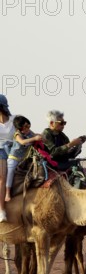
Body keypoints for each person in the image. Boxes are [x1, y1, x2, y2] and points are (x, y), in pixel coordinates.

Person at [6, 115, 43, 202]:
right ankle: (7, 193)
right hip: (14, 158)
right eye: (25, 127)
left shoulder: (29, 132)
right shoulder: (17, 134)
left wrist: (40, 137)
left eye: (28, 126)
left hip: (23, 159)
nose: (27, 129)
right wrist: (34, 138)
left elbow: (35, 135)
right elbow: (22, 142)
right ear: (19, 128)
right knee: (10, 172)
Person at [0, 94, 14, 222]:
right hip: (0, 152)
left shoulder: (14, 120)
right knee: (2, 177)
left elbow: (26, 132)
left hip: (14, 151)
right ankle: (2, 210)